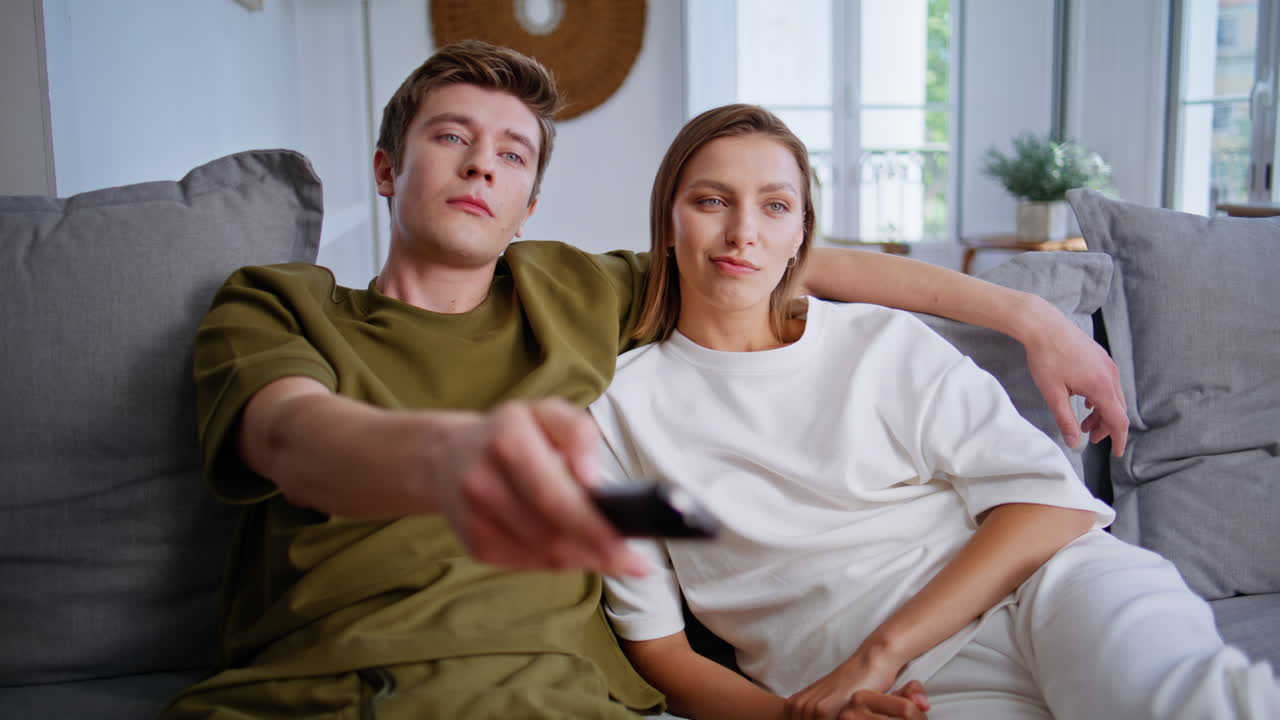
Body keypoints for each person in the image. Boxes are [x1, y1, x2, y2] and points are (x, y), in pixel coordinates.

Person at [164, 42, 1131, 719]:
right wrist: (450, 454)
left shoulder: (570, 292)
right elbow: (291, 438)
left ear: (529, 204)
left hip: (554, 696)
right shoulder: (279, 303)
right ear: (386, 168)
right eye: (450, 138)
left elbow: (776, 256)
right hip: (324, 687)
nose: (481, 166)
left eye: (511, 154)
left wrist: (1032, 317)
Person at [591, 103, 1280, 720]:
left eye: (775, 205)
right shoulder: (618, 412)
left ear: (802, 233)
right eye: (712, 201)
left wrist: (879, 652)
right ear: (667, 223)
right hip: (900, 692)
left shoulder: (878, 341)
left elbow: (1051, 505)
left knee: (1190, 701)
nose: (744, 231)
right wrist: (802, 716)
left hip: (1054, 587)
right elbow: (661, 653)